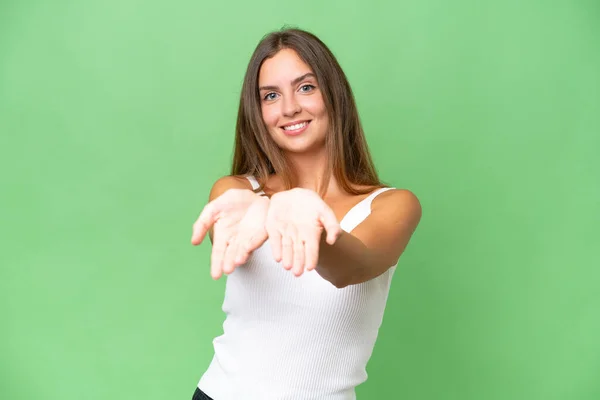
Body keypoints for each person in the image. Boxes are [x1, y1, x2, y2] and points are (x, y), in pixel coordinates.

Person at [189, 28, 422, 400]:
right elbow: (231, 237)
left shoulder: (392, 204)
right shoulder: (237, 193)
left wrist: (304, 214)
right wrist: (267, 207)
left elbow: (351, 268)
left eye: (306, 87)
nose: (289, 108)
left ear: (334, 95)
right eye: (270, 96)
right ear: (258, 111)